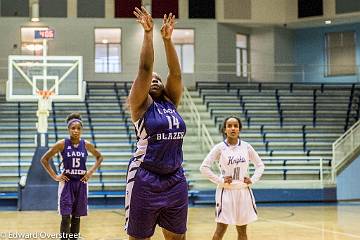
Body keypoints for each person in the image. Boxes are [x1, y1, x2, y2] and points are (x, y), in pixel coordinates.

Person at [125, 6, 187, 240]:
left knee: (177, 237)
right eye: (151, 79)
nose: (155, 80)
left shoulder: (171, 102)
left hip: (175, 178)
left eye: (158, 79)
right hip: (145, 177)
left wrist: (168, 39)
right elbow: (145, 68)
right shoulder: (140, 105)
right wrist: (149, 34)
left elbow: (177, 75)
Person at [200, 116, 265, 240]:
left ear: (239, 129)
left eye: (235, 125)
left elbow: (260, 165)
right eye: (229, 126)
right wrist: (220, 180)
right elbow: (204, 167)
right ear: (225, 130)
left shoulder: (246, 146)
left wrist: (252, 179)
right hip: (226, 192)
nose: (233, 128)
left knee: (242, 231)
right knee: (220, 230)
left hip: (243, 191)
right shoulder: (220, 148)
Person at [41, 112, 103, 240]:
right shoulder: (62, 144)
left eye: (78, 128)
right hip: (67, 183)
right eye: (73, 128)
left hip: (81, 183)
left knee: (77, 216)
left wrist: (90, 172)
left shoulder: (86, 144)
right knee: (65, 216)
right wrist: (55, 176)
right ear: (68, 129)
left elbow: (99, 157)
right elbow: (44, 159)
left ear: (81, 130)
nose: (75, 131)